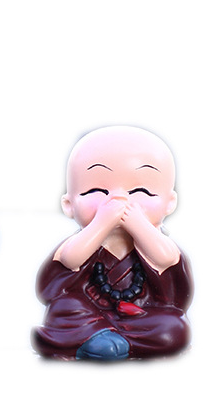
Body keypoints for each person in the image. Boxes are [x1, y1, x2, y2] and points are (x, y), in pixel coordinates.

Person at [32, 126, 193, 361]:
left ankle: (110, 342)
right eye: (97, 190)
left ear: (170, 203)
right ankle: (99, 338)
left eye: (140, 191)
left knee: (172, 328)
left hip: (142, 314)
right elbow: (70, 259)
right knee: (66, 308)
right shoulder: (82, 241)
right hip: (86, 312)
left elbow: (166, 258)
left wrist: (138, 224)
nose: (120, 199)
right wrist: (102, 223)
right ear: (69, 204)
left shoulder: (156, 241)